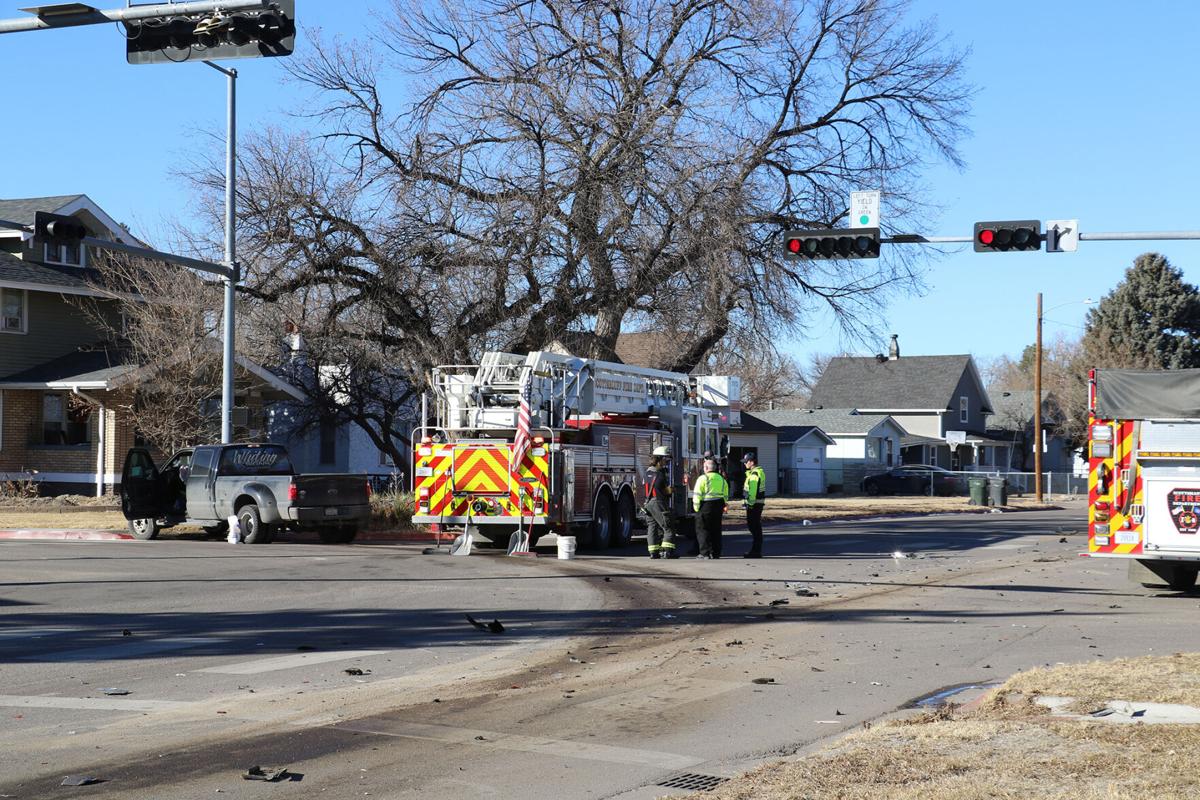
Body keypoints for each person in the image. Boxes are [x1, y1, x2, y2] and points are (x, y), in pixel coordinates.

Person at [644, 445, 678, 559]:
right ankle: (668, 552)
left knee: (652, 527)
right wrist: (671, 490)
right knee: (668, 527)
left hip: (648, 504)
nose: (666, 461)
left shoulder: (647, 473)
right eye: (665, 459)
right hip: (658, 503)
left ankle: (653, 552)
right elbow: (663, 490)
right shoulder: (659, 475)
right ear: (659, 459)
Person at [692, 458, 729, 558]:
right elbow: (725, 493)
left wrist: (696, 508)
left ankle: (704, 553)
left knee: (702, 529)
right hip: (718, 505)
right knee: (716, 530)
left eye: (704, 467)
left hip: (705, 506)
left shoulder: (703, 478)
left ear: (707, 468)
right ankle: (716, 552)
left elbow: (697, 494)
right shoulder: (722, 479)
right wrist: (724, 504)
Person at [742, 452, 766, 558]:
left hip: (754, 505)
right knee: (755, 527)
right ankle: (756, 550)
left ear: (751, 462)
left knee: (754, 527)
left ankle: (755, 551)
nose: (744, 464)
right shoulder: (756, 472)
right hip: (757, 504)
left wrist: (750, 505)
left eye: (746, 462)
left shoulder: (755, 474)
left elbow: (752, 492)